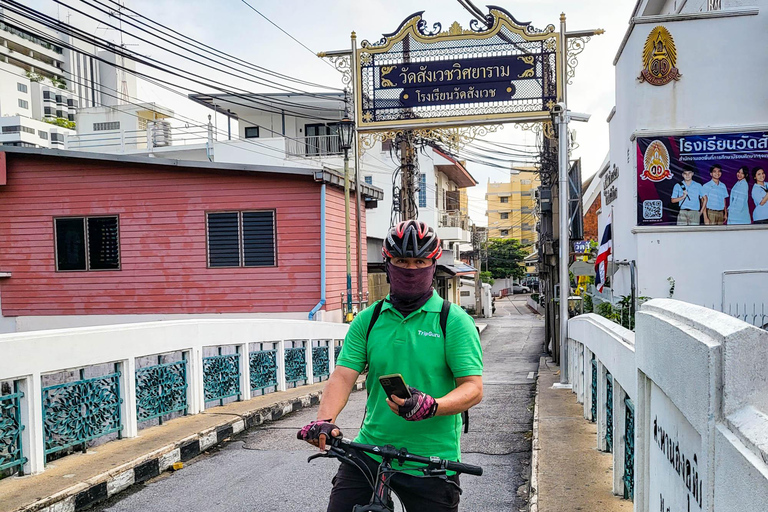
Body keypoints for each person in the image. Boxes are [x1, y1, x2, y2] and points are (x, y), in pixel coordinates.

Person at [297, 220, 484, 512]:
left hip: (431, 459)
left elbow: (473, 388)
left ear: (433, 265)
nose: (410, 269)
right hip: (370, 449)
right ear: (388, 264)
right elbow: (343, 376)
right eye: (401, 261)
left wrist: (431, 405)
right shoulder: (368, 320)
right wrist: (324, 420)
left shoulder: (454, 321)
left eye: (419, 261)